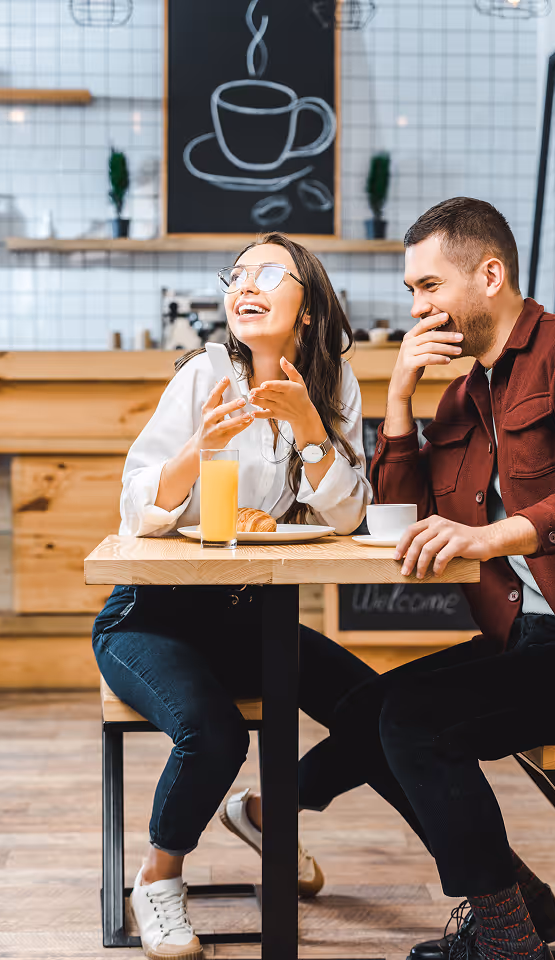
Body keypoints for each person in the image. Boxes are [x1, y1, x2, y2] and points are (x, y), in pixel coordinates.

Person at [366, 197, 555, 960]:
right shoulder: (460, 396)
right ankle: (517, 905)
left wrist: (491, 535)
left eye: (428, 287)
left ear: (489, 274)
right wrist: (396, 401)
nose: (417, 309)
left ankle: (509, 938)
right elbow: (397, 519)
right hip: (533, 641)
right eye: (412, 293)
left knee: (414, 721)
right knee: (367, 711)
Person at [92, 233, 376, 960]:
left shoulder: (335, 384)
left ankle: (265, 813)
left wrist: (311, 428)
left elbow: (348, 515)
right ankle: (157, 879)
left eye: (267, 273)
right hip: (149, 620)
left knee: (378, 712)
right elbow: (134, 509)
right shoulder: (203, 375)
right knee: (214, 733)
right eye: (237, 274)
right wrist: (195, 453)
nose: (243, 284)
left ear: (307, 306)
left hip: (254, 622)